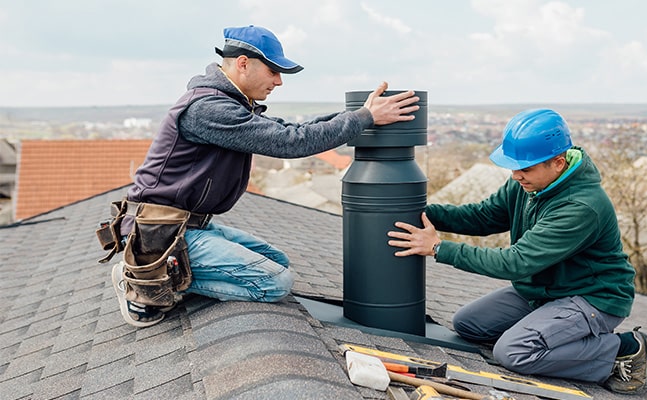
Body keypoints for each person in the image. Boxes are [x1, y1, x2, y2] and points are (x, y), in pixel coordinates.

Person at [111, 25, 419, 328]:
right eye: (273, 71)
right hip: (161, 233)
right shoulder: (208, 109)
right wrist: (365, 118)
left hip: (187, 226)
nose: (279, 81)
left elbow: (289, 130)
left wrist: (358, 115)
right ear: (243, 64)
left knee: (278, 261)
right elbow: (291, 143)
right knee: (274, 282)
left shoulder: (230, 104)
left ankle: (170, 272)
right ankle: (147, 281)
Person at [387, 109, 647, 394]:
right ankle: (554, 335)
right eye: (514, 167)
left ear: (558, 163)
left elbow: (515, 263)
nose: (516, 176)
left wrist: (439, 248)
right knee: (468, 324)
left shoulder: (580, 207)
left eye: (525, 169)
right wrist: (422, 213)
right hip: (544, 291)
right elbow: (484, 217)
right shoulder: (530, 184)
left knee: (513, 353)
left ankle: (622, 349)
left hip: (592, 298)